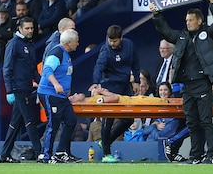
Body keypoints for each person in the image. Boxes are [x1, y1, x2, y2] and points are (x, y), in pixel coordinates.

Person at [149, 0, 213, 164]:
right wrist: (156, 15)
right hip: (187, 86)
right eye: (186, 20)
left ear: (199, 21)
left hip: (202, 84)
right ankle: (196, 156)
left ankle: (212, 155)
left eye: (191, 20)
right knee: (192, 123)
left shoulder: (207, 34)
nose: (188, 22)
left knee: (206, 121)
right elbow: (166, 32)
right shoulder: (181, 36)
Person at [88, 24, 140, 163]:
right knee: (108, 119)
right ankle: (106, 155)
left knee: (128, 119)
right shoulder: (105, 50)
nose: (112, 43)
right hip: (109, 86)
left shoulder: (129, 45)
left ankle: (107, 141)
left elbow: (135, 63)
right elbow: (98, 67)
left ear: (121, 38)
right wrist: (95, 82)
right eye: (110, 40)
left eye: (115, 41)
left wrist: (136, 81)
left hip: (124, 86)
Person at [0, 17, 42, 163]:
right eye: (27, 28)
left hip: (26, 87)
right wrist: (9, 90)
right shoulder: (14, 44)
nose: (30, 31)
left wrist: (42, 83)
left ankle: (4, 154)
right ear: (20, 29)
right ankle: (40, 153)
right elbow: (7, 68)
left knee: (16, 122)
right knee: (30, 120)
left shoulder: (29, 44)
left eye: (32, 28)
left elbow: (33, 69)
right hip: (18, 88)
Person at [37, 29, 80, 164]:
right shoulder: (57, 52)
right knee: (53, 124)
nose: (78, 44)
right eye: (76, 42)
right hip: (50, 93)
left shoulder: (66, 54)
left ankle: (61, 151)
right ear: (69, 42)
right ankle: (46, 155)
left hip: (61, 95)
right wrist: (56, 84)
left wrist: (67, 89)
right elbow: (47, 69)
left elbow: (65, 73)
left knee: (71, 120)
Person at [142, 82, 187, 162]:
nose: (163, 92)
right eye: (161, 90)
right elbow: (144, 132)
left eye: (165, 90)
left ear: (170, 91)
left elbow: (159, 137)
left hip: (159, 152)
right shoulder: (156, 108)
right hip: (146, 150)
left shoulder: (174, 118)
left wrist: (153, 127)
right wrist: (155, 125)